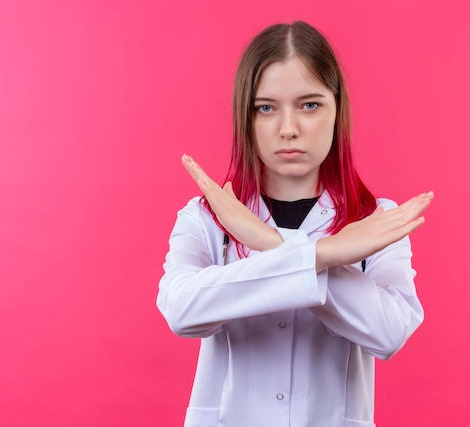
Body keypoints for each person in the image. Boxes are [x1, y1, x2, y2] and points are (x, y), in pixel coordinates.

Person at [157, 21, 434, 427]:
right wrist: (322, 255)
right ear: (246, 117)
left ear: (337, 109)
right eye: (266, 108)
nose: (289, 129)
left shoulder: (376, 220)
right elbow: (181, 311)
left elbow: (389, 334)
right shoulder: (206, 218)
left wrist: (267, 242)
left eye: (309, 105)